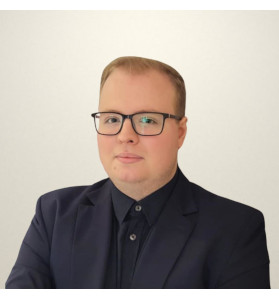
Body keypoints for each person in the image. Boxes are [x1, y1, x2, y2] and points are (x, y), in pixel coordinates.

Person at [6, 56, 270, 289]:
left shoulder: (237, 229)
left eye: (147, 120)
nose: (125, 136)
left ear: (180, 132)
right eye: (112, 119)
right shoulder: (53, 216)